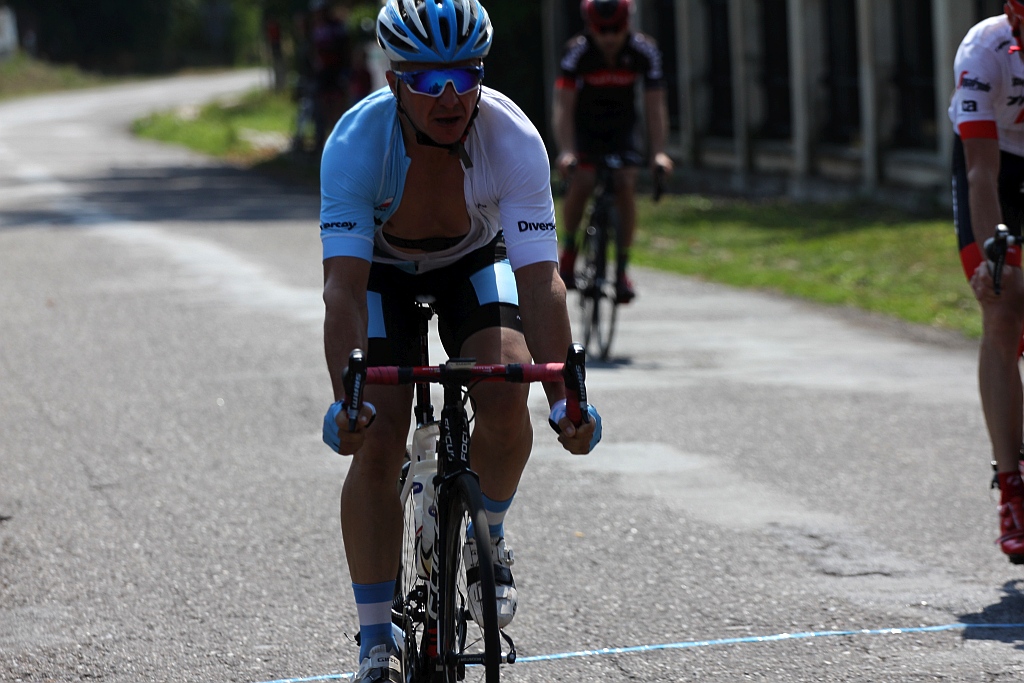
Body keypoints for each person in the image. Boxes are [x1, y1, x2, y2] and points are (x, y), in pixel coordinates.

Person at [318, 1, 603, 681]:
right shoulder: (356, 145)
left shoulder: (512, 137)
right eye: (426, 79)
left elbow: (542, 284)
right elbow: (344, 293)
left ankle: (488, 540)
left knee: (508, 388)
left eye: (464, 73)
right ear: (394, 82)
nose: (448, 95)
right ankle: (374, 637)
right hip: (380, 274)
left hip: (473, 260)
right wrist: (345, 399)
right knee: (380, 436)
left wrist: (564, 390)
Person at [950, 0, 1024, 564]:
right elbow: (981, 171)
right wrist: (990, 261)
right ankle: (1011, 486)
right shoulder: (984, 51)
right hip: (995, 173)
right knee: (1002, 310)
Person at [553, 0, 673, 304]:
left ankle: (621, 269)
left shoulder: (644, 52)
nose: (609, 37)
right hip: (585, 129)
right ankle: (568, 256)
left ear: (628, 25)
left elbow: (655, 105)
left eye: (616, 30)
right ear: (590, 27)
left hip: (622, 130)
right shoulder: (577, 52)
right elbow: (563, 107)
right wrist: (567, 151)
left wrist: (659, 152)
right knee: (581, 183)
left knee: (624, 185)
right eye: (601, 30)